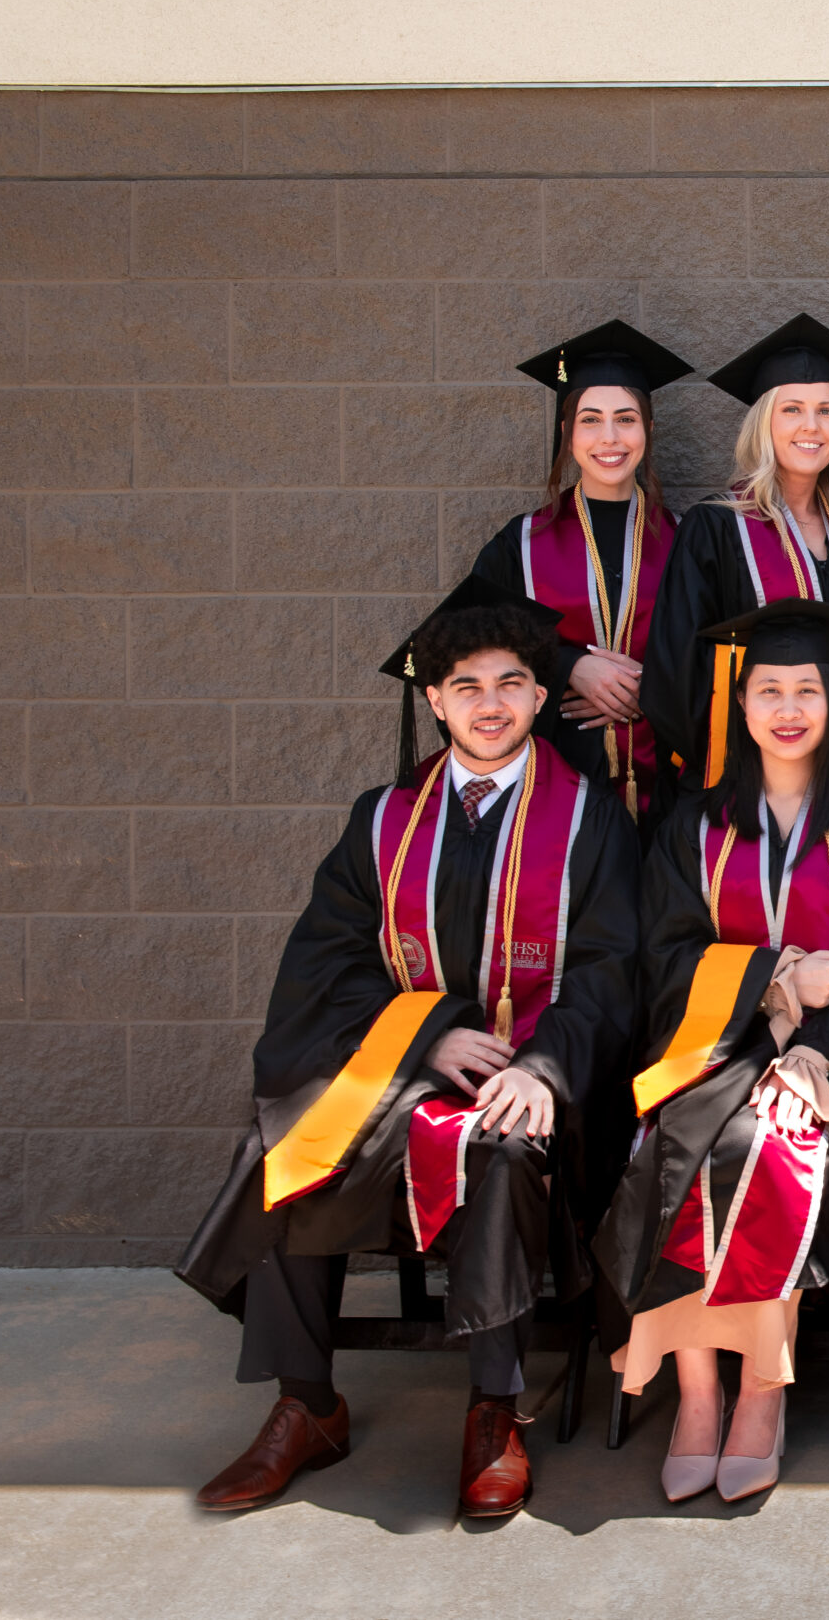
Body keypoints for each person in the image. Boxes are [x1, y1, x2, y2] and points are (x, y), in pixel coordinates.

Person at [176, 577, 641, 1517]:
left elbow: (612, 972)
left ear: (542, 695)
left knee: (506, 1153)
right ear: (433, 699)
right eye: (466, 687)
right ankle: (305, 1403)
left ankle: (494, 1407)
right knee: (285, 1147)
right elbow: (324, 970)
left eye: (512, 683)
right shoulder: (382, 820)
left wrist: (546, 1069)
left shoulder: (592, 820)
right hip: (404, 1076)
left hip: (532, 1080)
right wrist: (431, 1038)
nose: (492, 704)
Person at [594, 598, 829, 1503]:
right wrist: (777, 982)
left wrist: (811, 1049)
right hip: (704, 1057)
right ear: (741, 709)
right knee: (689, 1133)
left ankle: (759, 1388)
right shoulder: (692, 829)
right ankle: (696, 1389)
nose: (789, 708)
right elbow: (658, 964)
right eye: (770, 690)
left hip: (827, 1068)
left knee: (757, 1140)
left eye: (807, 689)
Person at [641, 312, 829, 789]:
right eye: (791, 409)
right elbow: (676, 670)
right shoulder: (715, 528)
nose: (811, 426)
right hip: (747, 775)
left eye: (827, 411)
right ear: (763, 422)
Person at [471, 319, 692, 829]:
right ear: (567, 432)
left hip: (669, 792)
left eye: (626, 419)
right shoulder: (521, 543)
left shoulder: (687, 538)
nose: (609, 438)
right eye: (590, 420)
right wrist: (567, 665)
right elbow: (473, 647)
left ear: (648, 431)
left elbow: (717, 652)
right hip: (552, 783)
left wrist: (653, 685)